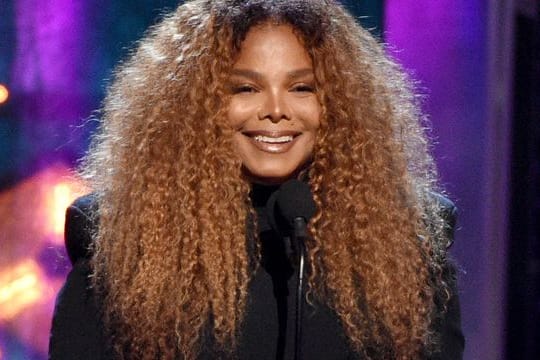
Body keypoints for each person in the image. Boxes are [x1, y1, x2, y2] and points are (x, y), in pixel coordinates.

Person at [48, 0, 465, 359]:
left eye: (302, 87)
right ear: (196, 105)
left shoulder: (409, 235)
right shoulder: (117, 237)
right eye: (245, 89)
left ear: (338, 102)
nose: (276, 110)